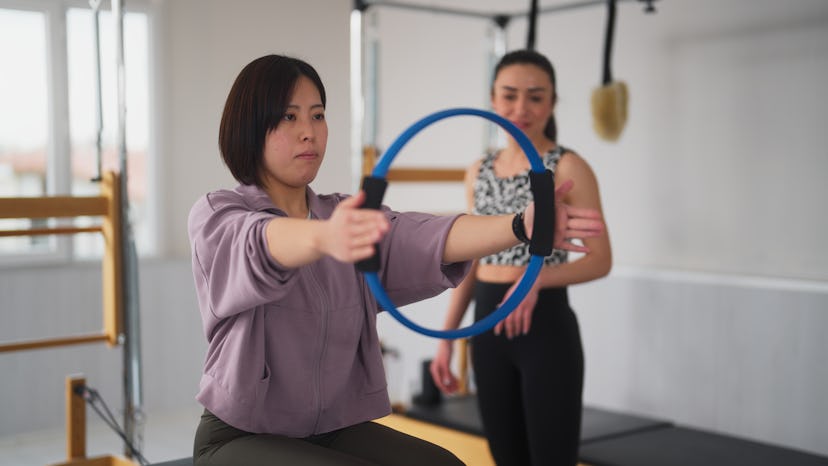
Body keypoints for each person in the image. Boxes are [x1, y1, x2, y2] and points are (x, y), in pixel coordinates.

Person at [187, 54, 604, 466]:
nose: (308, 132)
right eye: (288, 118)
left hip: (330, 430)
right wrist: (326, 236)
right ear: (249, 128)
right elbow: (260, 243)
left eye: (317, 115)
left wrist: (519, 226)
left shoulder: (344, 214)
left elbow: (424, 237)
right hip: (238, 435)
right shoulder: (218, 216)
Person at [429, 49, 613, 466]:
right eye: (509, 95)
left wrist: (535, 282)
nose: (521, 108)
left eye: (535, 97)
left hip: (544, 327)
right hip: (488, 326)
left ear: (552, 103)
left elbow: (601, 260)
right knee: (505, 457)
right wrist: (446, 339)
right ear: (493, 100)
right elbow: (470, 261)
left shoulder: (567, 166)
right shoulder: (479, 170)